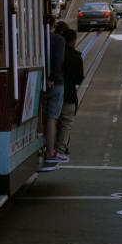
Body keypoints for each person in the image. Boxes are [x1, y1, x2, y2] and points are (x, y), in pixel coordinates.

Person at [42, 15, 66, 170]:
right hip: (55, 83)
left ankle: (41, 148)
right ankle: (50, 151)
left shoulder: (33, 38)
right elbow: (58, 60)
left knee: (39, 116)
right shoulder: (58, 40)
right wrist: (51, 77)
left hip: (37, 82)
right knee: (52, 118)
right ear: (53, 25)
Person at [56, 29, 84, 159]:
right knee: (66, 122)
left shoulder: (55, 53)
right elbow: (79, 79)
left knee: (53, 119)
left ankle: (51, 147)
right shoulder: (76, 57)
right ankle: (60, 149)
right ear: (73, 41)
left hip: (54, 92)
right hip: (69, 95)